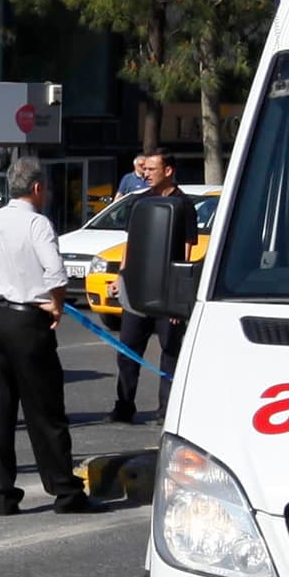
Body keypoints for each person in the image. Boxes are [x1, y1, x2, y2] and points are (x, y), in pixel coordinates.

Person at [0, 158, 93, 515]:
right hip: (27, 321)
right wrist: (56, 306)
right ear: (37, 188)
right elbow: (56, 273)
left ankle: (5, 493)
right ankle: (64, 490)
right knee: (45, 409)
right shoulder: (37, 224)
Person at [113, 149, 190, 423]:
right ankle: (123, 404)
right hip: (137, 290)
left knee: (169, 351)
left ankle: (165, 409)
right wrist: (121, 276)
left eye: (152, 169)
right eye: (144, 169)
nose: (145, 174)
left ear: (168, 171)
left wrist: (178, 297)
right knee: (128, 349)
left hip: (166, 292)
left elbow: (187, 249)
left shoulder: (183, 204)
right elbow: (130, 242)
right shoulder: (140, 202)